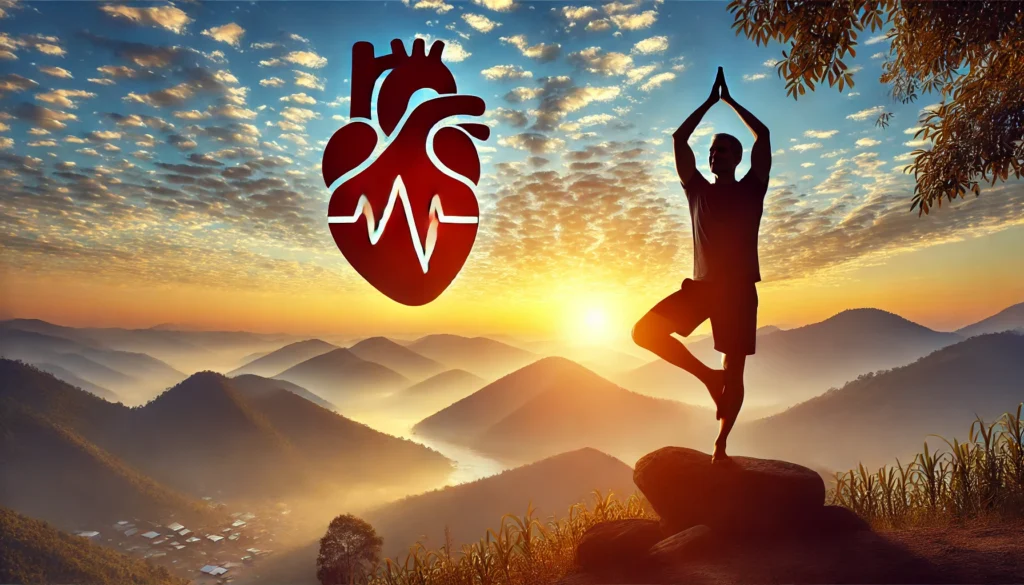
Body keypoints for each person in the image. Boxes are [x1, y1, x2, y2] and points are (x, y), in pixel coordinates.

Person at [631, 67, 770, 463]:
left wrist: (730, 102)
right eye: (711, 151)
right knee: (644, 332)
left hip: (740, 291)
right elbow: (679, 139)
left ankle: (721, 445)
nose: (713, 155)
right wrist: (709, 103)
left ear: (738, 158)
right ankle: (708, 378)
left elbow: (764, 136)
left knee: (736, 371)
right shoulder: (696, 190)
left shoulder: (752, 188)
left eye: (721, 150)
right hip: (703, 288)